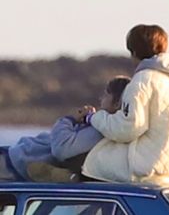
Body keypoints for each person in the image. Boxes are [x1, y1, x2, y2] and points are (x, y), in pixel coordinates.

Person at [81, 24, 169, 185]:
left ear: (134, 51)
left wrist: (93, 118)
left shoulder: (143, 80)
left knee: (88, 162)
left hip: (151, 169)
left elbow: (127, 128)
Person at [0, 75, 131, 182]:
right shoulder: (106, 126)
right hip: (18, 155)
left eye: (106, 95)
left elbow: (62, 148)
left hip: (18, 161)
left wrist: (70, 120)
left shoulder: (103, 130)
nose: (101, 98)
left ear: (117, 103)